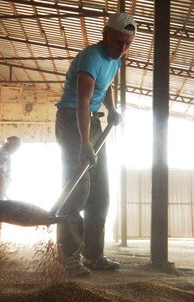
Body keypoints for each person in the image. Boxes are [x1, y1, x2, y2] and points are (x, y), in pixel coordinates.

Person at [55, 12, 136, 278]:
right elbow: (82, 101)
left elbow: (107, 85)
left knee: (100, 192)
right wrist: (83, 143)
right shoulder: (91, 57)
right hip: (72, 122)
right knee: (79, 190)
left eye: (127, 44)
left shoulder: (115, 60)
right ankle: (69, 256)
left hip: (94, 122)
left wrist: (111, 108)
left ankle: (93, 254)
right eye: (117, 42)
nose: (122, 49)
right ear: (105, 35)